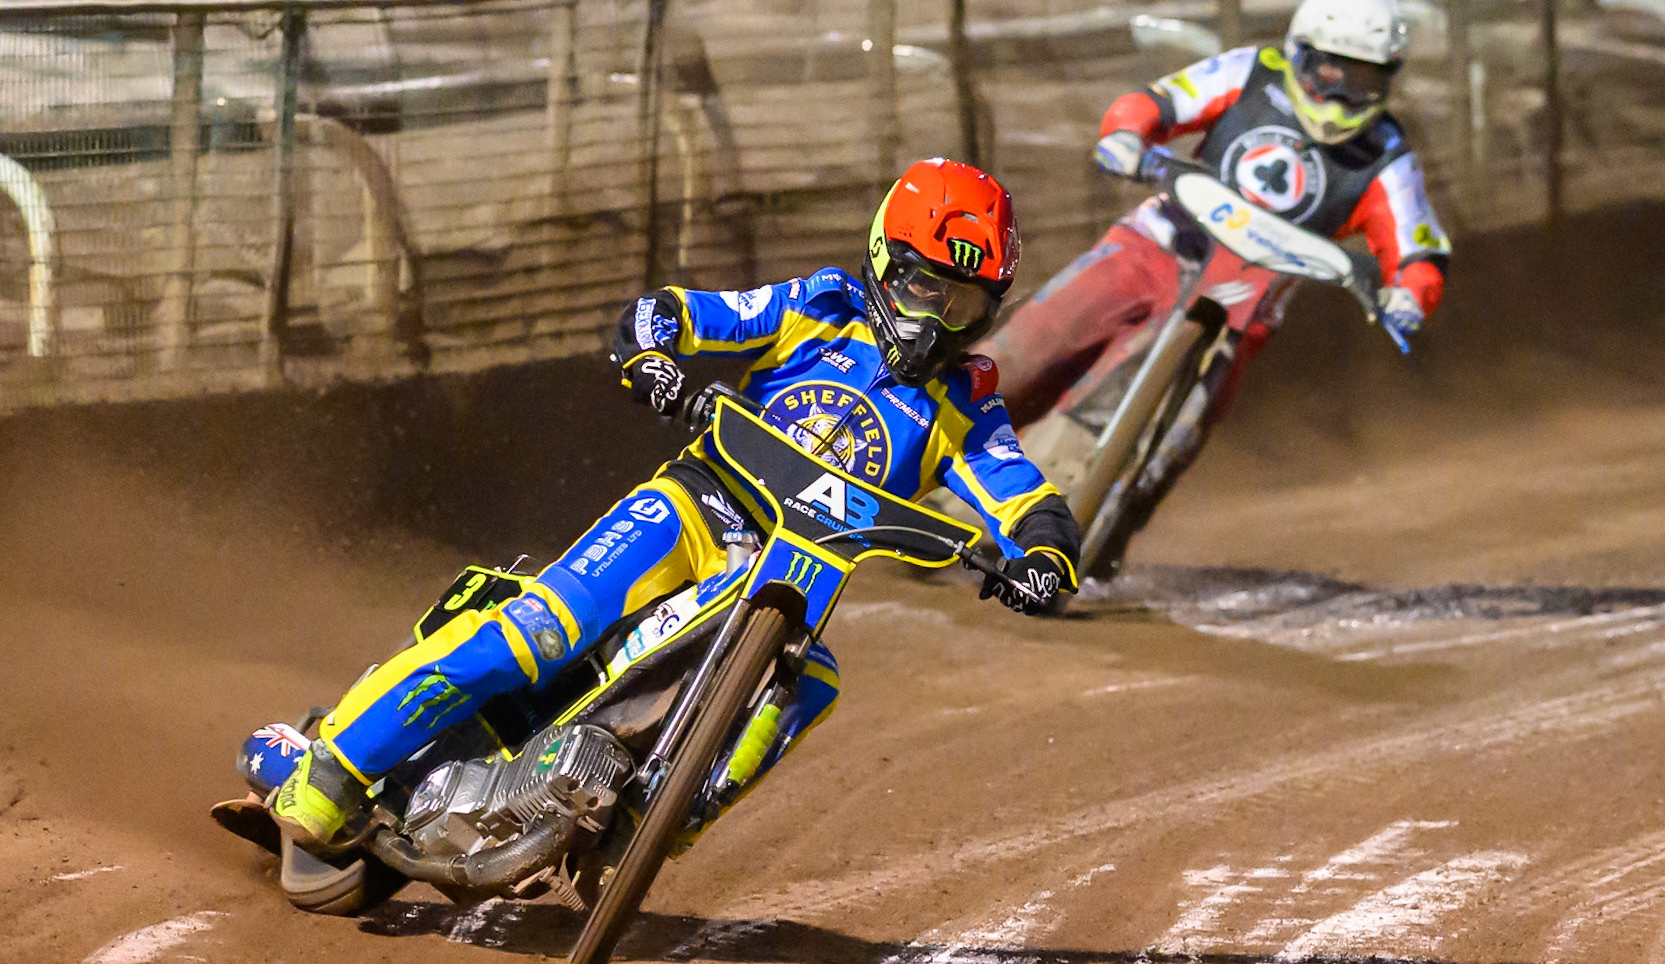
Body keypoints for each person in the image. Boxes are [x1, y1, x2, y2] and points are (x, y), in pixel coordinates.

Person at [269, 157, 1082, 853]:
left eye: (965, 304)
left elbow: (1025, 495)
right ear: (884, 260)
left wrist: (1042, 557)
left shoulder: (964, 405)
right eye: (923, 285)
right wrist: (653, 357)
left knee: (811, 684)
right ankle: (333, 770)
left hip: (795, 580)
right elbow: (679, 313)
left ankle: (658, 825)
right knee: (538, 630)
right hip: (695, 508)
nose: (936, 317)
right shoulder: (820, 308)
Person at [980, 0, 1452, 429]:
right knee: (1018, 355)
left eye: (1362, 78)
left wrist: (1410, 294)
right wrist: (1127, 136)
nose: (1341, 94)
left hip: (1242, 311)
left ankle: (1110, 500)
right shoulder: (1251, 71)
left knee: (1179, 436)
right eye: (1332, 71)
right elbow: (1160, 102)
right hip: (1153, 247)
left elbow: (1419, 248)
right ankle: (915, 443)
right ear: (1301, 53)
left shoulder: (1387, 153)